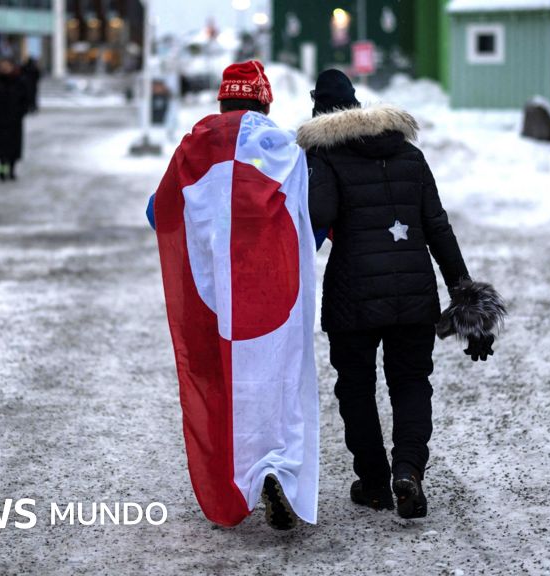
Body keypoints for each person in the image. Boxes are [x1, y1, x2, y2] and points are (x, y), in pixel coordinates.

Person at [297, 69, 506, 519]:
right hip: (414, 292)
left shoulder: (325, 157)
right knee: (411, 382)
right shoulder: (409, 154)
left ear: (319, 116)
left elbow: (319, 213)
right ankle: (408, 470)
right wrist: (468, 302)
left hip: (352, 296)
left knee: (356, 388)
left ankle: (374, 483)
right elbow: (438, 228)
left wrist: (313, 163)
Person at [149, 61, 319, 531]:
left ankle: (240, 477)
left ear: (222, 100)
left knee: (224, 384)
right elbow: (311, 215)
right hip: (272, 290)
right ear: (264, 102)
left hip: (217, 293)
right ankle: (276, 467)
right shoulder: (283, 149)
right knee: (279, 381)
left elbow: (158, 212)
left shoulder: (194, 148)